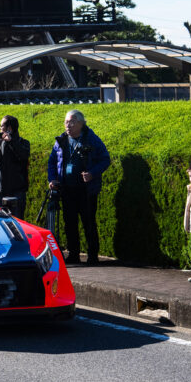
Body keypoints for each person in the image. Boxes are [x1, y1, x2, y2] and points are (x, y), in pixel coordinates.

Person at [48, 109, 111, 265]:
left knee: (89, 223)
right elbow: (52, 162)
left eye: (72, 121)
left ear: (81, 123)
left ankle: (92, 256)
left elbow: (105, 159)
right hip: (67, 189)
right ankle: (73, 254)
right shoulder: (61, 140)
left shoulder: (92, 139)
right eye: (66, 121)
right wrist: (53, 179)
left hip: (86, 190)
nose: (68, 125)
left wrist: (92, 173)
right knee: (70, 223)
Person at [0, 115, 30, 219]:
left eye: (1, 126)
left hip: (17, 192)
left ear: (9, 128)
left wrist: (11, 142)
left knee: (17, 222)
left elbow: (23, 156)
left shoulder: (23, 143)